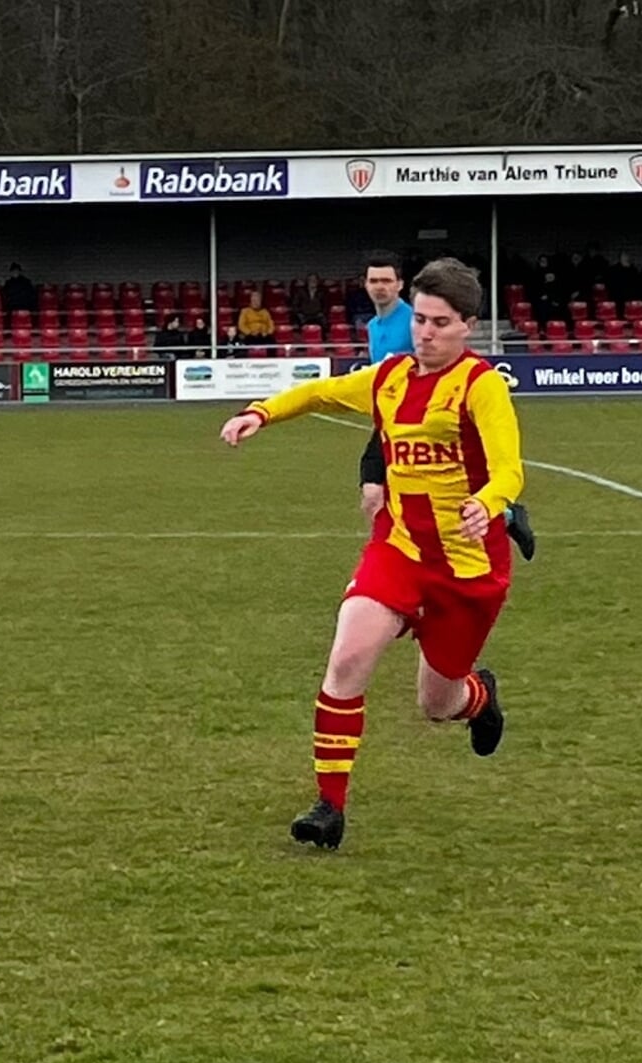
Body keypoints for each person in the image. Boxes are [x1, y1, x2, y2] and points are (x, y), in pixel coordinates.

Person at [219, 258, 520, 851]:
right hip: (399, 549)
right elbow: (321, 391)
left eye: (439, 323)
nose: (425, 333)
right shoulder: (389, 379)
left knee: (438, 704)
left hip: (468, 568)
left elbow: (509, 464)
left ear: (468, 326)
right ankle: (328, 808)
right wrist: (260, 412)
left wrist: (491, 500)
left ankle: (478, 698)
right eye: (421, 320)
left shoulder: (482, 387)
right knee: (348, 656)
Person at [358, 252, 534, 559]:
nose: (379, 287)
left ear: (400, 285)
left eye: (386, 280)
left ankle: (499, 516)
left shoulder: (414, 320)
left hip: (429, 417)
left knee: (399, 493)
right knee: (374, 493)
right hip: (395, 417)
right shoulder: (374, 326)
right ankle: (394, 556)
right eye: (374, 281)